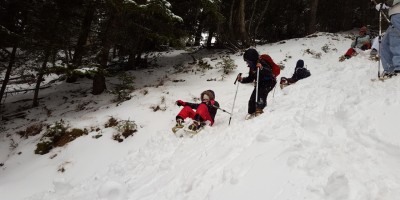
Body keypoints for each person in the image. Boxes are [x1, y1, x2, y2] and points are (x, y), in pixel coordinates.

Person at [237, 48, 276, 118]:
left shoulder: (262, 62)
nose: (247, 63)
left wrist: (261, 68)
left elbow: (270, 73)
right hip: (260, 83)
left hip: (269, 83)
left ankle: (260, 112)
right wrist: (241, 80)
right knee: (252, 99)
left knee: (261, 96)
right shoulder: (252, 67)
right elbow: (250, 78)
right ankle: (251, 112)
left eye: (248, 61)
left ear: (252, 59)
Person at [375, 1, 400, 77]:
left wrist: (386, 4)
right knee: (385, 43)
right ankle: (390, 69)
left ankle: (398, 68)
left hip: (398, 14)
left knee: (395, 41)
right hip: (395, 15)